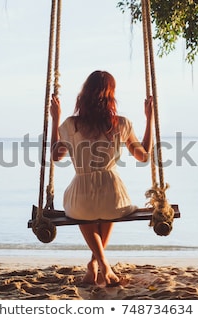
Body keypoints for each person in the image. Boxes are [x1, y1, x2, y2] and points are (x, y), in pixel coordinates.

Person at [50, 70, 154, 286]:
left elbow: (55, 157)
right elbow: (144, 157)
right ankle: (99, 265)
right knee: (106, 209)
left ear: (84, 94)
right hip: (112, 195)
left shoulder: (71, 125)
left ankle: (97, 265)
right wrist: (150, 120)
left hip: (81, 196)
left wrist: (55, 120)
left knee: (85, 211)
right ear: (111, 95)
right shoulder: (122, 124)